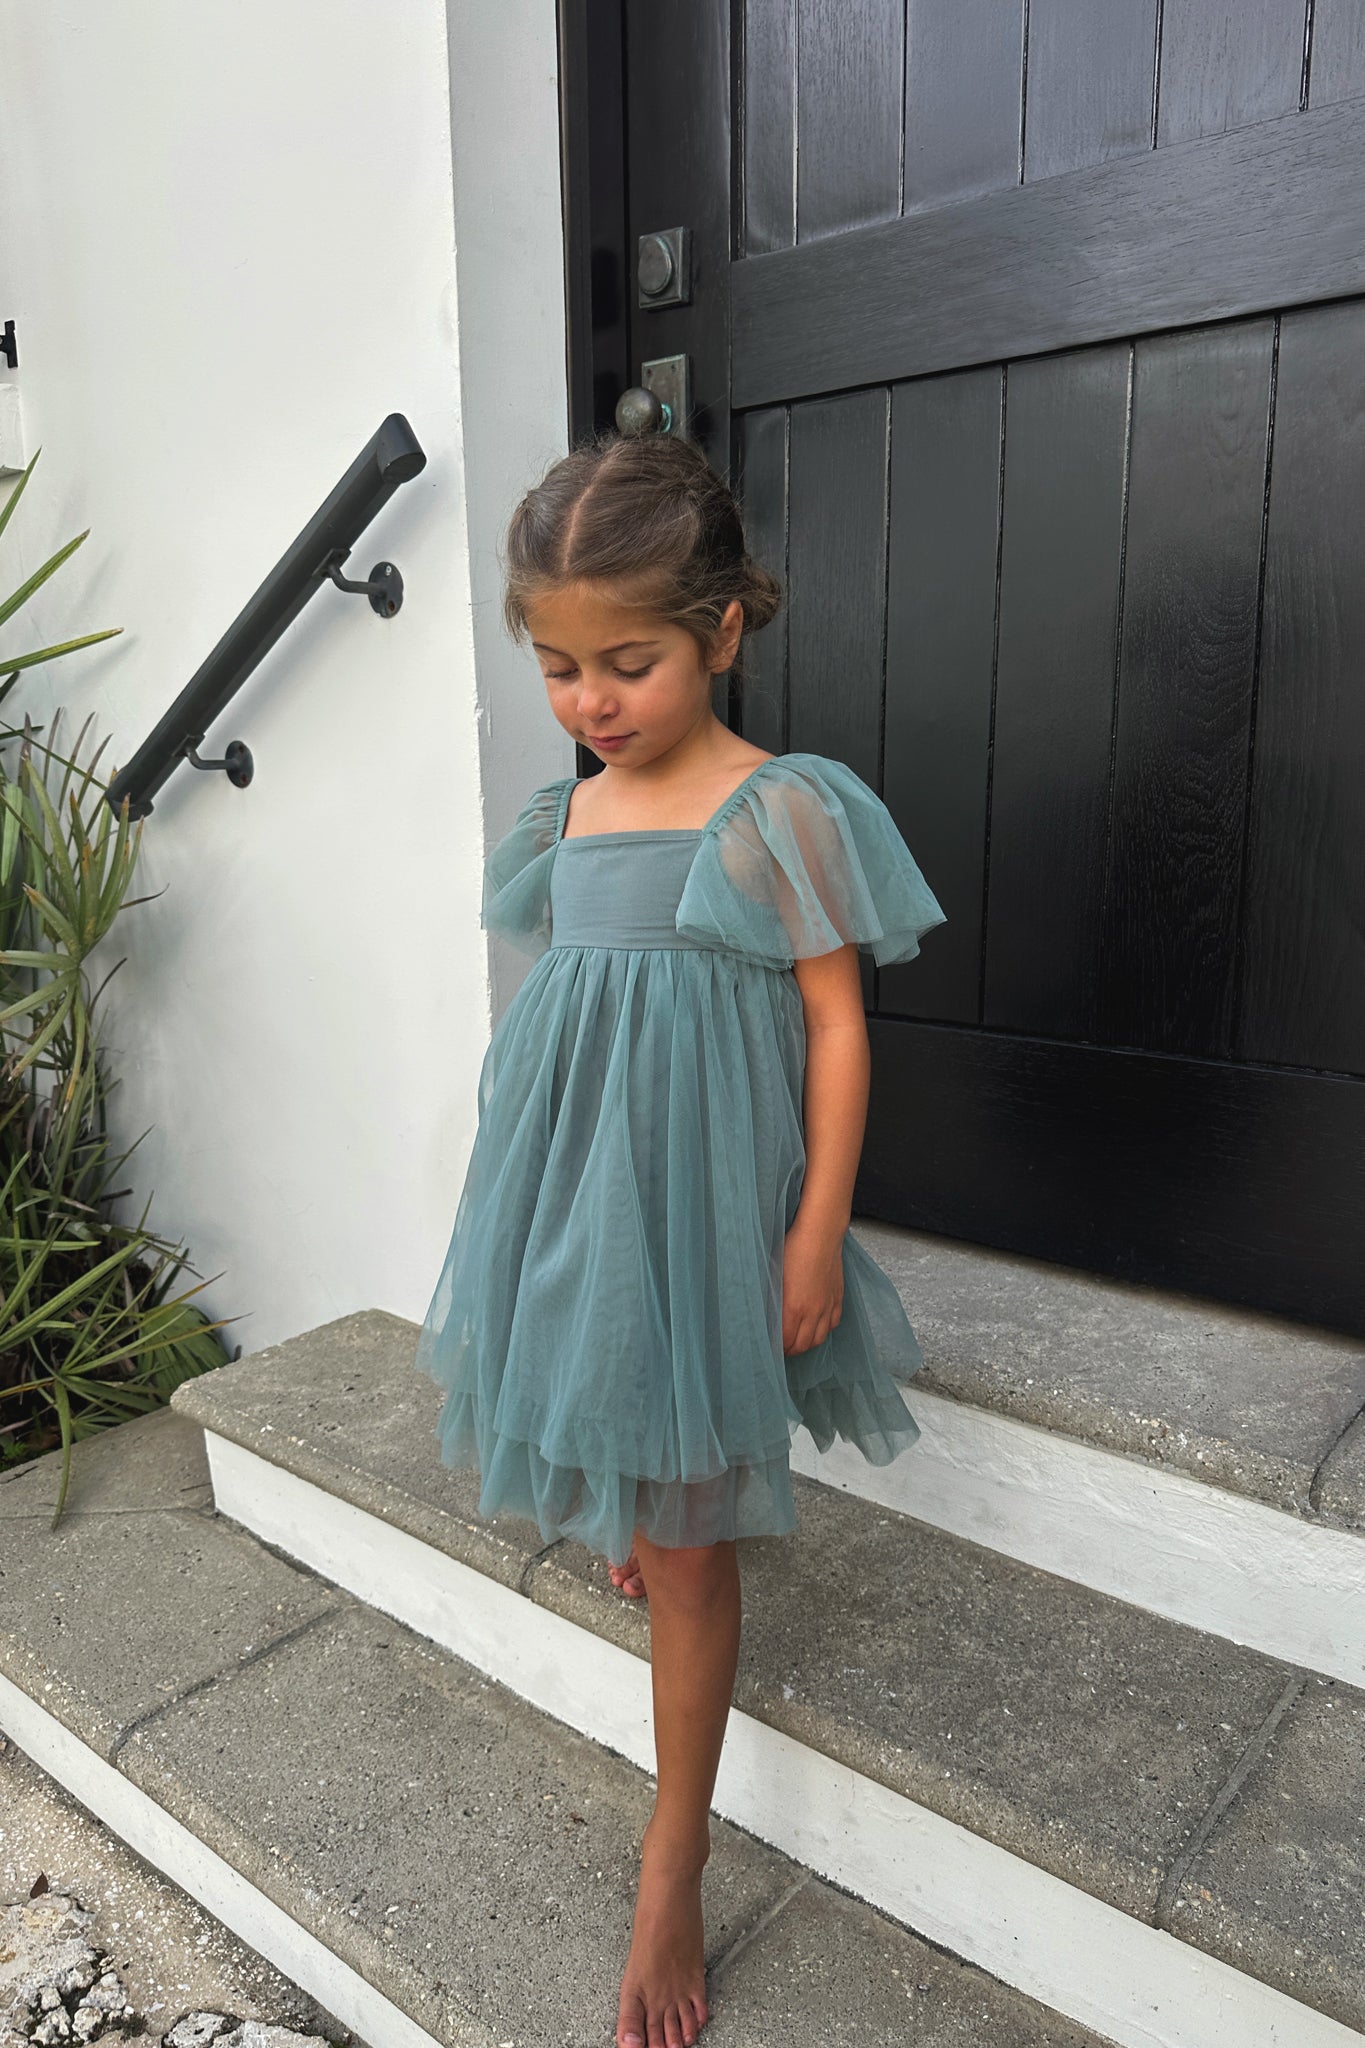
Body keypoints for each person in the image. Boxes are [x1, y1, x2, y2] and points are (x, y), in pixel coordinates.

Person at [413, 429, 946, 2048]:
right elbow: (577, 1019)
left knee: (696, 1544)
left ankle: (675, 1859)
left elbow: (834, 1027)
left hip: (709, 1209)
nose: (589, 701)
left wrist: (815, 1229)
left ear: (719, 630)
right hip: (572, 1194)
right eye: (558, 667)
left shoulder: (776, 808)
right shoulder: (566, 814)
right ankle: (641, 1514)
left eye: (625, 663)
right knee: (614, 1414)